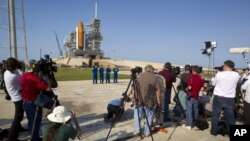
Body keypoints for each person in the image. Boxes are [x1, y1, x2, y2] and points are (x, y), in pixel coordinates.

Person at [20, 60, 51, 141]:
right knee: (36, 123)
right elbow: (48, 88)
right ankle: (35, 138)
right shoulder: (35, 78)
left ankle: (32, 135)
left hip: (25, 103)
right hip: (33, 104)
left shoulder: (23, 76)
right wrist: (46, 81)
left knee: (30, 121)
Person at [210, 60, 240, 136]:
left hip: (218, 97)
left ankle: (214, 132)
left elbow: (213, 83)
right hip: (229, 99)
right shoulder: (236, 75)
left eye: (224, 66)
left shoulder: (219, 74)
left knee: (215, 115)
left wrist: (214, 78)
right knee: (230, 117)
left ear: (226, 66)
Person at [133, 64, 160, 136]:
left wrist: (134, 98)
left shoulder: (140, 75)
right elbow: (158, 90)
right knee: (149, 116)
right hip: (150, 101)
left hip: (139, 99)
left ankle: (137, 130)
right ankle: (147, 132)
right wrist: (158, 102)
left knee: (137, 116)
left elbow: (134, 88)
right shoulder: (155, 77)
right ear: (151, 70)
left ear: (146, 69)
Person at [4, 57, 26, 141]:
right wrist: (22, 69)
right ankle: (11, 137)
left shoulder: (6, 73)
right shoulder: (14, 76)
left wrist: (17, 67)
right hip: (18, 98)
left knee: (18, 115)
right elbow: (24, 78)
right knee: (18, 117)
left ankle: (19, 128)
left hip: (14, 96)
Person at [183, 65, 204, 130]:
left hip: (190, 96)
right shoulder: (201, 79)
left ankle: (189, 124)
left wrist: (186, 89)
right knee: (195, 110)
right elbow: (202, 88)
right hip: (196, 96)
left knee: (189, 110)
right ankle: (195, 122)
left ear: (193, 70)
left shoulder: (191, 78)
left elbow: (189, 88)